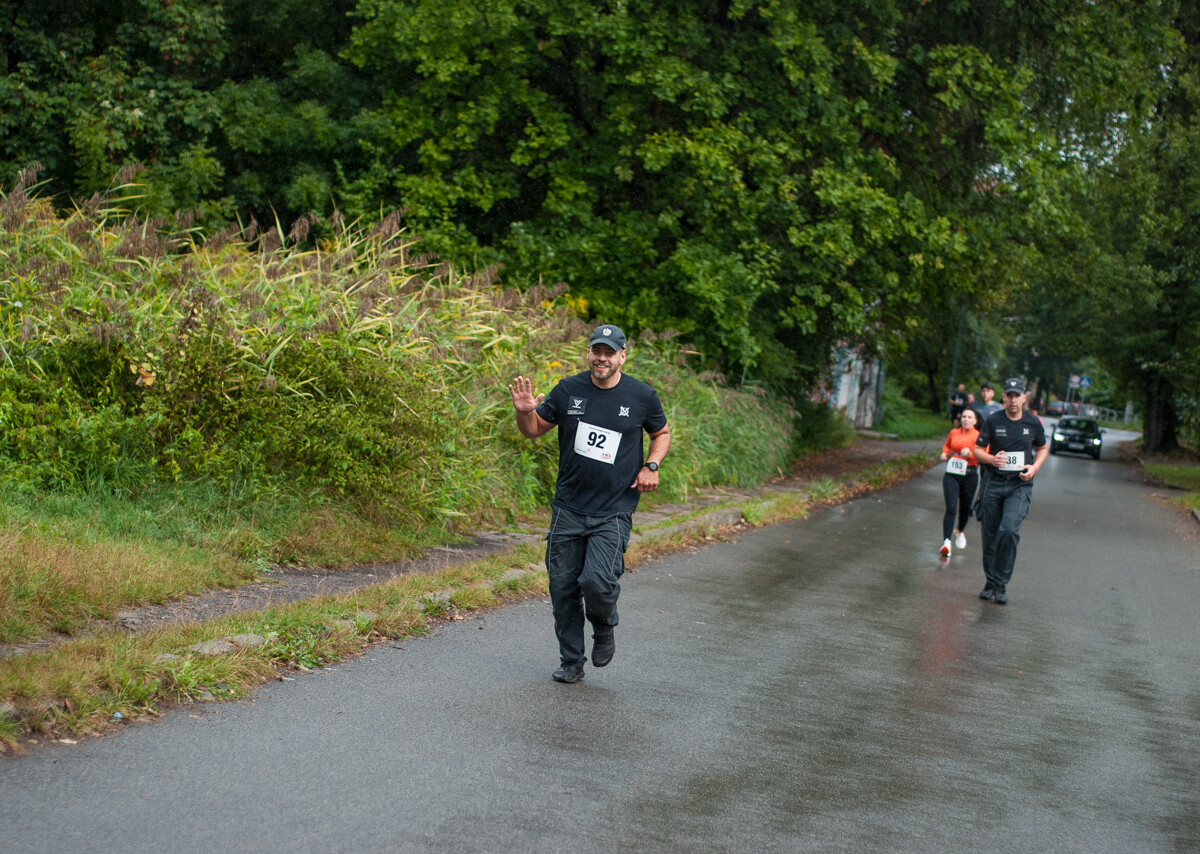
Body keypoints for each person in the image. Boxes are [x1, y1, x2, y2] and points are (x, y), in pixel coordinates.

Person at [509, 324, 671, 683]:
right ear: (588, 353)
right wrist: (524, 411)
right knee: (562, 587)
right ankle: (571, 662)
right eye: (596, 351)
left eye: (609, 352)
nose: (601, 358)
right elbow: (534, 429)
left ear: (621, 356)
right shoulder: (568, 389)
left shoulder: (642, 395)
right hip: (569, 506)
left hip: (614, 508)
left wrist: (652, 465)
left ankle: (604, 625)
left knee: (597, 581)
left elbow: (660, 433)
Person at [971, 377, 1048, 605]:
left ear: (1024, 397)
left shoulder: (1033, 423)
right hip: (993, 483)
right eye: (1010, 395)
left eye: (1018, 395)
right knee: (990, 535)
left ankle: (1001, 582)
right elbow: (977, 451)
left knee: (1009, 530)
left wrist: (1034, 468)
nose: (1013, 400)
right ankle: (990, 581)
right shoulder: (993, 420)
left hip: (1019, 485)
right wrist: (992, 459)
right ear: (1003, 397)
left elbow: (1042, 449)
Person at [938, 407, 979, 557]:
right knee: (951, 508)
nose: (966, 419)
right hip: (951, 475)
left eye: (970, 417)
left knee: (965, 509)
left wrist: (971, 454)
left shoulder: (978, 436)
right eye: (964, 417)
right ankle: (946, 543)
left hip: (970, 475)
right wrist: (944, 453)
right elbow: (947, 445)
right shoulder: (953, 432)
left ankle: (960, 530)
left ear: (975, 421)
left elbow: (985, 453)